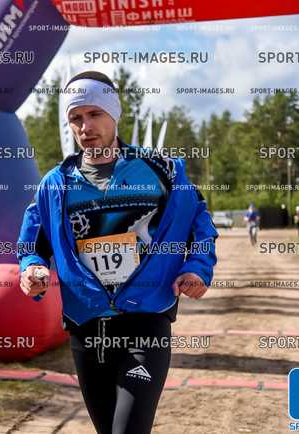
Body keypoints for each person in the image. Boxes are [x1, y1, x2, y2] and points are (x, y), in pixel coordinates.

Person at [17, 71, 218, 434]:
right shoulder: (56, 184)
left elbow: (199, 224)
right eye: (76, 118)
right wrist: (32, 270)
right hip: (86, 326)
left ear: (114, 113)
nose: (85, 127)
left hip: (146, 321)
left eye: (94, 114)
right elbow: (33, 244)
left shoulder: (162, 170)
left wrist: (197, 268)